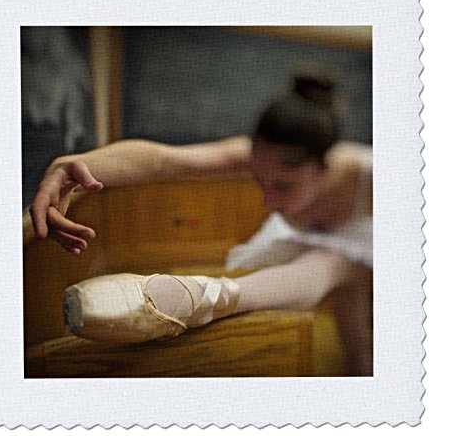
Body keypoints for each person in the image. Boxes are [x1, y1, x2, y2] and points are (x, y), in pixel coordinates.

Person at [30, 76, 373, 375]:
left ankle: (207, 297)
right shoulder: (263, 156)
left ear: (324, 167)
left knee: (333, 267)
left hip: (369, 240)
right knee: (355, 341)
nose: (268, 201)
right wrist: (75, 164)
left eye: (283, 187)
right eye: (260, 181)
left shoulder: (371, 175)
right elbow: (163, 160)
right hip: (308, 238)